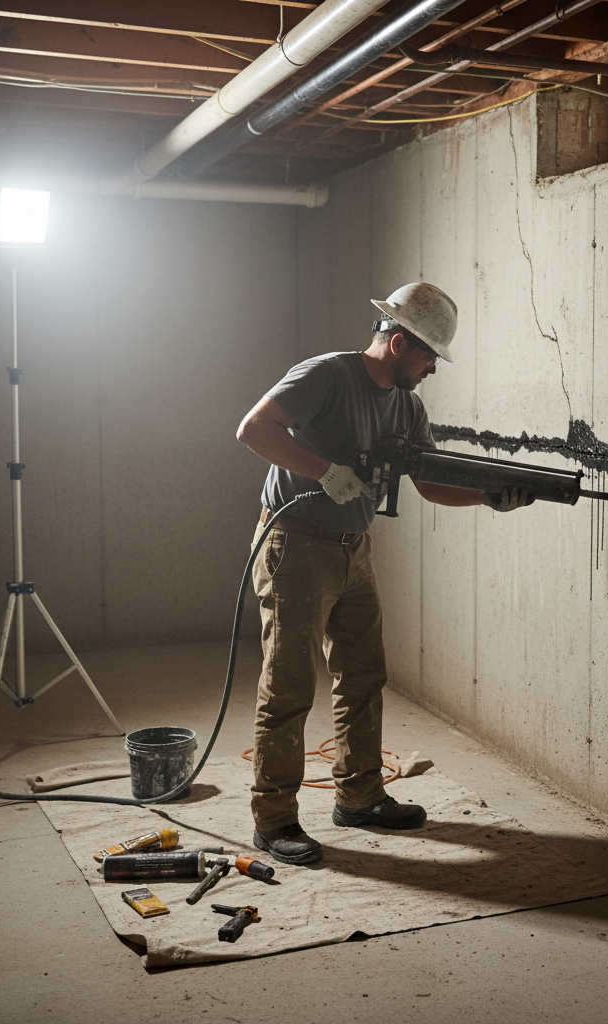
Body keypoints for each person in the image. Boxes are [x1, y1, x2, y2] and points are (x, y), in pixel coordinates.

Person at [236, 282, 532, 865]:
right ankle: (273, 821)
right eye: (429, 357)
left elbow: (427, 481)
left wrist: (490, 497)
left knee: (365, 675)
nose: (432, 371)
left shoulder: (407, 406)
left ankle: (360, 796)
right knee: (291, 684)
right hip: (295, 546)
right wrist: (324, 471)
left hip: (353, 549)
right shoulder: (325, 376)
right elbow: (254, 430)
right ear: (399, 343)